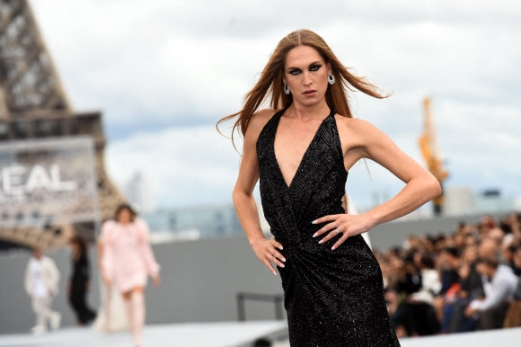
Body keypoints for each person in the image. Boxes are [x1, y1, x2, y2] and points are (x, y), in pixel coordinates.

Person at [218, 29, 441, 346]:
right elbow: (242, 192)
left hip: (350, 278)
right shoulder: (261, 125)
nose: (307, 79)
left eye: (314, 68)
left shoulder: (352, 132)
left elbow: (427, 183)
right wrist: (256, 239)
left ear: (330, 72)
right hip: (298, 282)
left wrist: (366, 219)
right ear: (283, 79)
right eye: (295, 71)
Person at [99, 204, 161, 347]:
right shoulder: (111, 231)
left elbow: (145, 250)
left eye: (127, 214)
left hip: (137, 267)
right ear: (118, 215)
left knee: (138, 300)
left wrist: (153, 271)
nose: (125, 217)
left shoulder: (138, 229)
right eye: (122, 214)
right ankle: (133, 330)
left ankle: (137, 337)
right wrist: (107, 272)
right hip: (121, 270)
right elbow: (108, 254)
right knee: (128, 305)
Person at [24, 247, 61, 334]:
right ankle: (52, 317)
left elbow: (55, 274)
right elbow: (28, 277)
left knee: (42, 308)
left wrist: (52, 286)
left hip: (46, 289)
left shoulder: (48, 262)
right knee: (37, 308)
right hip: (36, 290)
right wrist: (29, 289)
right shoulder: (31, 263)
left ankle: (42, 325)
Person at [68, 235, 97, 325]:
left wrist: (87, 281)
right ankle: (86, 317)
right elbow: (74, 270)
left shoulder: (83, 254)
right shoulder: (73, 254)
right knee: (73, 299)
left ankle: (88, 318)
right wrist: (71, 282)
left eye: (74, 244)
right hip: (75, 280)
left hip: (82, 280)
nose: (73, 246)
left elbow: (87, 268)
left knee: (81, 300)